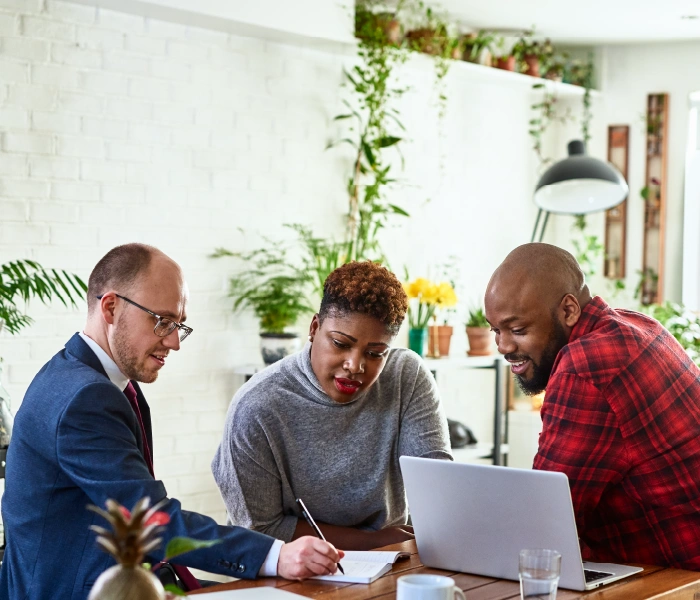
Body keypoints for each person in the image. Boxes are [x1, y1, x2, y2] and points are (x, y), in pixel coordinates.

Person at [0, 244, 342, 600]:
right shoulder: (85, 398)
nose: (175, 342)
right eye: (162, 321)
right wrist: (276, 554)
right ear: (111, 307)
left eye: (179, 325)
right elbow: (150, 518)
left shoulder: (83, 376)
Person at [484, 242, 700, 570]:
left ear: (569, 310)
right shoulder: (639, 325)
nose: (503, 346)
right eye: (495, 330)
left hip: (677, 581)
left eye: (517, 329)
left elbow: (543, 521)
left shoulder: (585, 365)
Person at [212, 260, 452, 550]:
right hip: (289, 571)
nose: (355, 366)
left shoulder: (406, 376)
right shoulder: (256, 406)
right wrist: (372, 541)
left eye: (375, 353)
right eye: (340, 343)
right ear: (314, 328)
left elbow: (437, 487)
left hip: (389, 562)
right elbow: (259, 529)